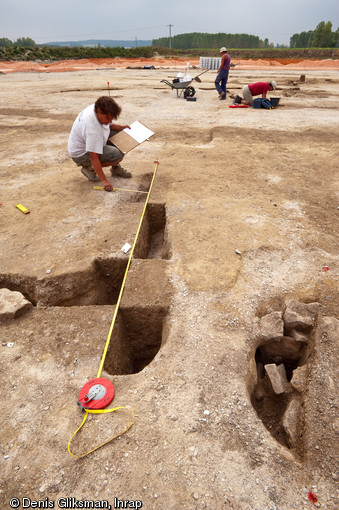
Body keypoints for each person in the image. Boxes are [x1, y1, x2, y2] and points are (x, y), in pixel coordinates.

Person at [68, 96, 132, 192]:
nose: (110, 121)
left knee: (121, 136)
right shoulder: (93, 129)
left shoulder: (98, 108)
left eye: (111, 118)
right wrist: (104, 181)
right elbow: (94, 157)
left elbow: (109, 125)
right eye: (108, 118)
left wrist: (121, 128)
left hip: (89, 141)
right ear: (99, 111)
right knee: (118, 155)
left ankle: (115, 169)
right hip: (81, 155)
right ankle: (88, 167)